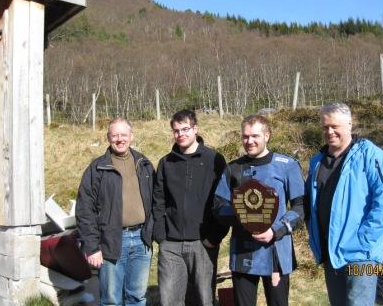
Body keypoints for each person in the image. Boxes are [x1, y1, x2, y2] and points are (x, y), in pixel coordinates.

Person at [305, 103, 383, 306]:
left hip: (361, 256)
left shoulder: (371, 156)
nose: (329, 132)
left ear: (349, 124)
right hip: (330, 253)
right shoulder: (317, 162)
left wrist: (364, 237)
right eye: (325, 127)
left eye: (335, 126)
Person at [214, 114, 305, 306]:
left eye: (255, 136)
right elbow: (218, 207)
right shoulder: (233, 169)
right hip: (243, 253)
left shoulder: (287, 166)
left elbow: (300, 207)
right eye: (245, 136)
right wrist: (245, 218)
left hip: (276, 250)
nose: (250, 141)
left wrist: (276, 230)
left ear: (267, 135)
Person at [152, 109, 228, 306]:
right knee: (170, 300)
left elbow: (224, 201)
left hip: (203, 243)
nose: (180, 134)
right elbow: (158, 200)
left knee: (204, 299)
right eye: (176, 131)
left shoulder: (214, 160)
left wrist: (214, 236)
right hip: (171, 245)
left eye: (185, 129)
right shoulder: (166, 163)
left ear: (195, 128)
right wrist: (161, 236)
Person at [75, 118, 154, 306]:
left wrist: (152, 232)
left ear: (131, 136)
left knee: (137, 297)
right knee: (111, 300)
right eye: (115, 135)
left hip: (142, 240)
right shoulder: (97, 168)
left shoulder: (144, 164)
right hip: (111, 241)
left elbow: (156, 201)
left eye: (124, 134)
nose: (120, 139)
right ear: (108, 137)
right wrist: (92, 247)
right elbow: (85, 210)